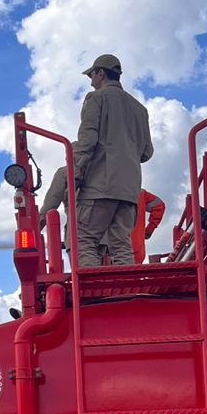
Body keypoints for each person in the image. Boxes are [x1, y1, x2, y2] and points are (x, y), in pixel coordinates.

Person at [70, 53, 153, 267]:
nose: (90, 81)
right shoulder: (140, 109)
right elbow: (147, 153)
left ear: (100, 73)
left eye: (91, 75)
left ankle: (90, 295)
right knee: (121, 245)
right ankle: (128, 294)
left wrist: (75, 173)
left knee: (84, 239)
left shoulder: (96, 98)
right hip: (129, 191)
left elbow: (87, 141)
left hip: (100, 186)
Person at [39, 166, 164, 265]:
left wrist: (35, 229)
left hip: (83, 239)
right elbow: (158, 205)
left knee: (88, 279)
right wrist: (148, 230)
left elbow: (49, 207)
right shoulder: (123, 181)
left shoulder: (65, 173)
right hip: (118, 243)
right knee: (123, 279)